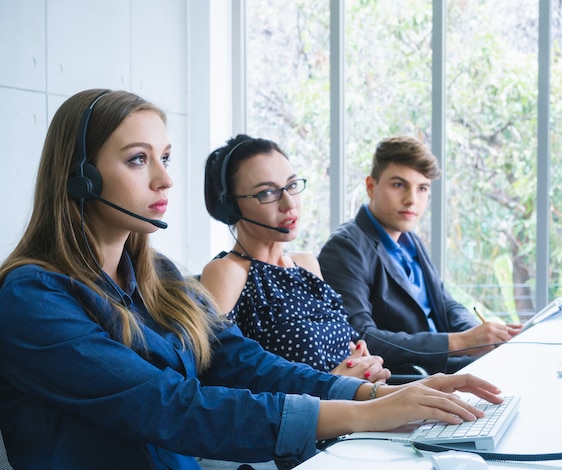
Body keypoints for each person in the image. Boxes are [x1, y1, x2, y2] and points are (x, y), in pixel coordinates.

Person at [0, 90, 506, 470]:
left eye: (165, 158)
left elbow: (243, 363)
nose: (165, 179)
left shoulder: (160, 280)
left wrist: (377, 397)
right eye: (138, 159)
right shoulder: (31, 298)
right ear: (81, 177)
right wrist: (361, 414)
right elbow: (167, 407)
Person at [318, 135, 522, 376]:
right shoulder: (345, 247)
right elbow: (360, 336)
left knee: (522, 366)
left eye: (422, 188)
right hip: (409, 377)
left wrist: (484, 336)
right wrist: (460, 343)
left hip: (444, 365)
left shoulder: (408, 238)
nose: (412, 199)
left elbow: (446, 304)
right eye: (398, 185)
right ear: (371, 186)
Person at [201, 134, 389, 383]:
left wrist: (361, 361)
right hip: (311, 417)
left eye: (291, 186)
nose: (289, 204)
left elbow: (341, 357)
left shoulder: (306, 264)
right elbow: (218, 376)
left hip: (360, 407)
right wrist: (331, 386)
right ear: (231, 208)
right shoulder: (227, 272)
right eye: (267, 193)